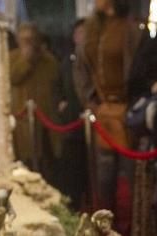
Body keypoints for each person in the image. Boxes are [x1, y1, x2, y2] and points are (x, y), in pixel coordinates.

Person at [74, 0, 146, 216]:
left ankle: (138, 231)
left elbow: (139, 69)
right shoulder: (92, 28)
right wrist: (90, 101)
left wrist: (133, 103)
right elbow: (81, 67)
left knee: (133, 175)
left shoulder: (130, 29)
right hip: (102, 110)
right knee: (104, 177)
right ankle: (105, 229)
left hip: (127, 109)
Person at [10, 22, 65, 188]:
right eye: (25, 40)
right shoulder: (12, 58)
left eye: (32, 39)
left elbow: (57, 86)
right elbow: (14, 77)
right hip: (25, 122)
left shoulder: (49, 61)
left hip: (48, 121)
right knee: (28, 163)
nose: (29, 44)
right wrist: (26, 60)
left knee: (50, 164)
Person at [60, 19, 89, 209]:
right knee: (74, 168)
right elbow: (61, 84)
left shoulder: (92, 58)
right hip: (72, 121)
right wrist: (62, 103)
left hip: (92, 118)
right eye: (80, 33)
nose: (83, 37)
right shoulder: (68, 60)